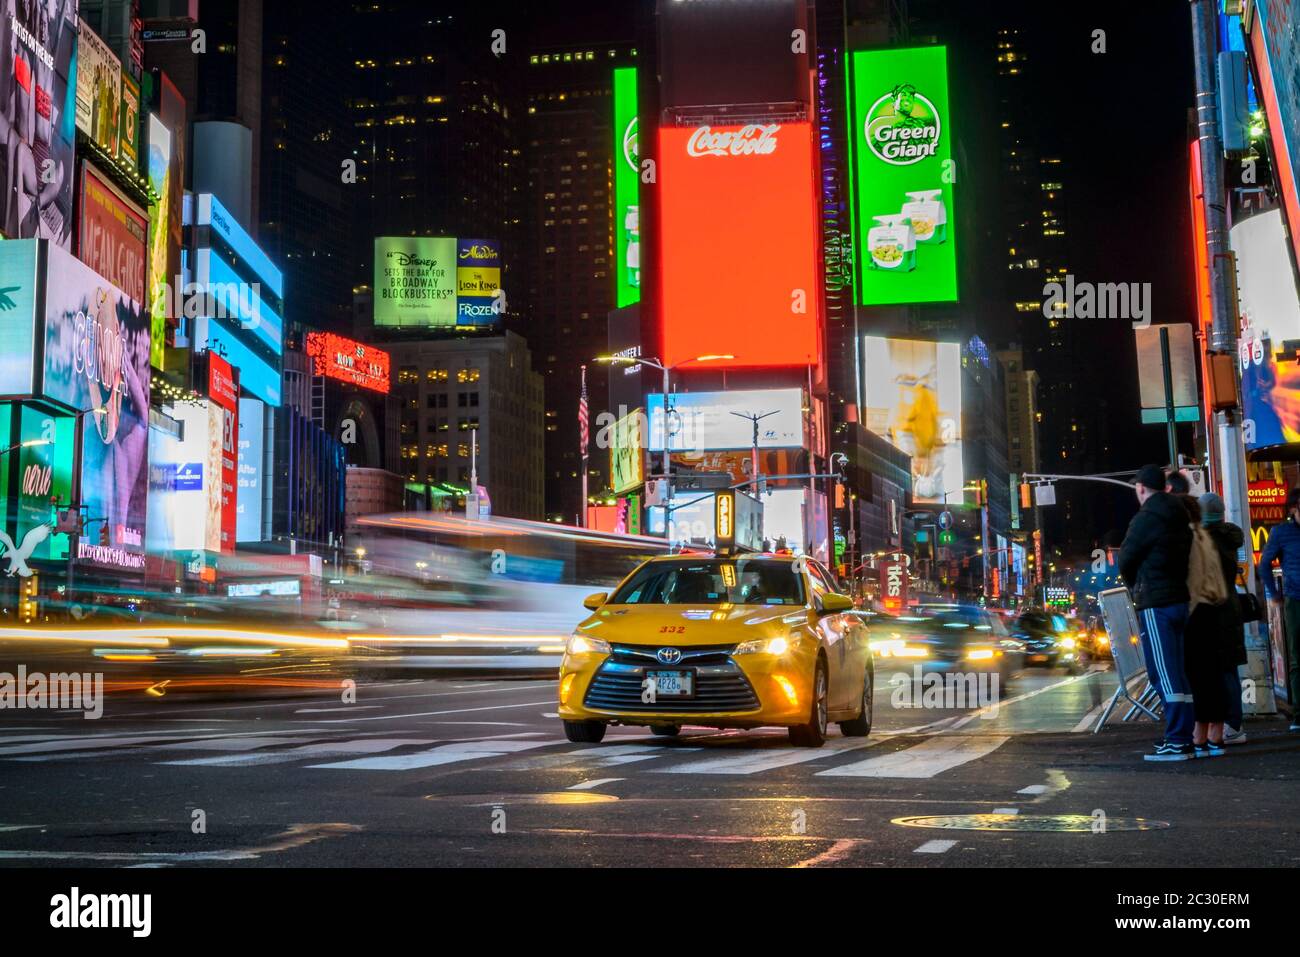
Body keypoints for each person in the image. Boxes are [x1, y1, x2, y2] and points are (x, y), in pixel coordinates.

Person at [1119, 464, 1195, 761]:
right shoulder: (1180, 515)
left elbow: (1126, 558)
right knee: (1179, 672)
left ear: (1140, 488)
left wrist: (1135, 585)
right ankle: (1184, 737)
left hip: (1156, 602)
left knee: (1162, 673)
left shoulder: (1145, 518)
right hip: (1180, 599)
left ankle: (1176, 739)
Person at [1200, 493, 1249, 745]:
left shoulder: (1207, 540)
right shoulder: (1231, 538)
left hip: (1213, 610)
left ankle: (1230, 725)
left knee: (1218, 671)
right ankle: (1233, 723)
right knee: (1228, 669)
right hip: (1230, 607)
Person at [1182, 495, 1227, 756]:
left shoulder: (1191, 537)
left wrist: (1184, 612)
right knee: (1213, 674)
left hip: (1196, 611)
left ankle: (1200, 735)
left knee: (1197, 677)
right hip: (1213, 609)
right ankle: (1215, 734)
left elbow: (1194, 578)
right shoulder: (1206, 537)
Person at [1259, 488, 1300, 731]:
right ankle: (1299, 714)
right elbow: (1264, 565)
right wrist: (1275, 595)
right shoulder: (1281, 533)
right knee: (1297, 658)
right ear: (1293, 508)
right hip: (1295, 599)